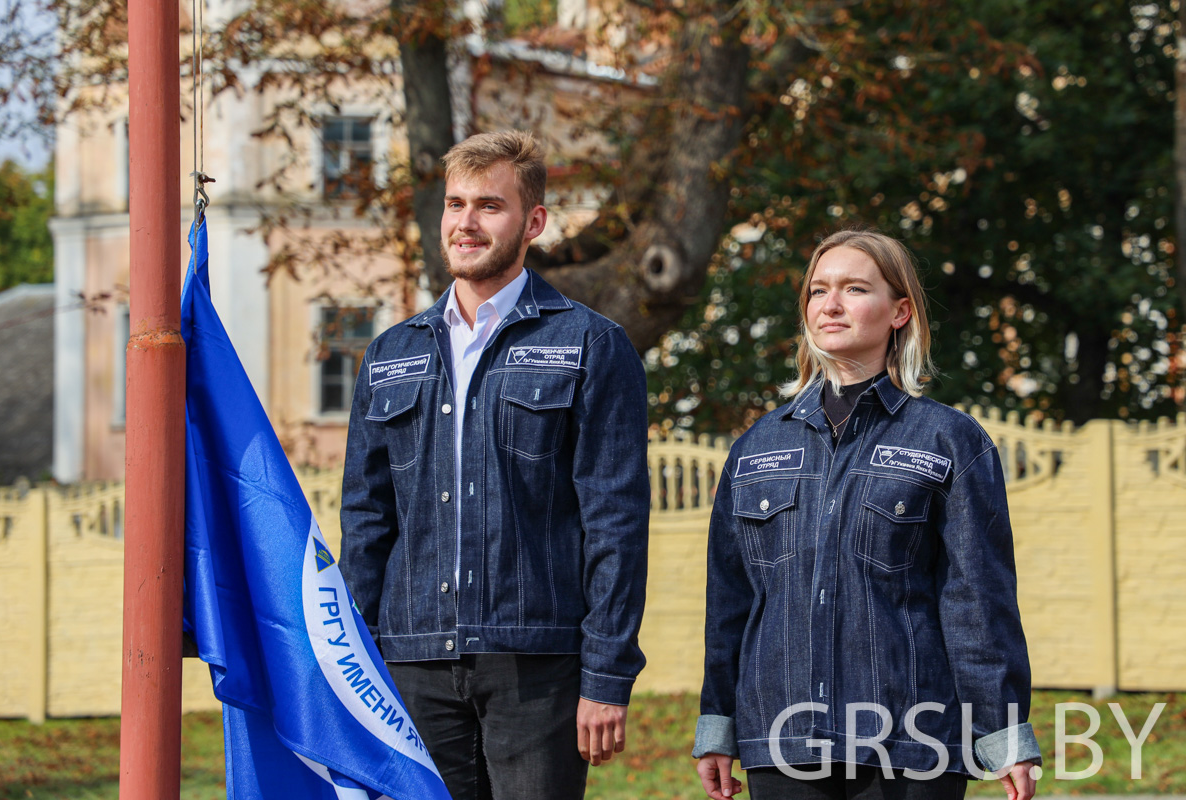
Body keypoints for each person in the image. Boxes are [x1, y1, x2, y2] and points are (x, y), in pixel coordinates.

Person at [339, 130, 649, 800]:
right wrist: (353, 669)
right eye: (455, 204)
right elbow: (366, 524)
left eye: (489, 206)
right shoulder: (392, 353)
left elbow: (615, 525)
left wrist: (605, 677)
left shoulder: (591, 345)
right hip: (409, 662)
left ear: (533, 221)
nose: (466, 224)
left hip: (536, 666)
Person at [693, 229, 1041, 800]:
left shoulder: (949, 440)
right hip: (783, 739)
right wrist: (719, 725)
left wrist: (1002, 731)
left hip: (913, 742)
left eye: (855, 288)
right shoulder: (755, 449)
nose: (830, 305)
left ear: (900, 311)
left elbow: (977, 600)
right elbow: (730, 601)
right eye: (818, 290)